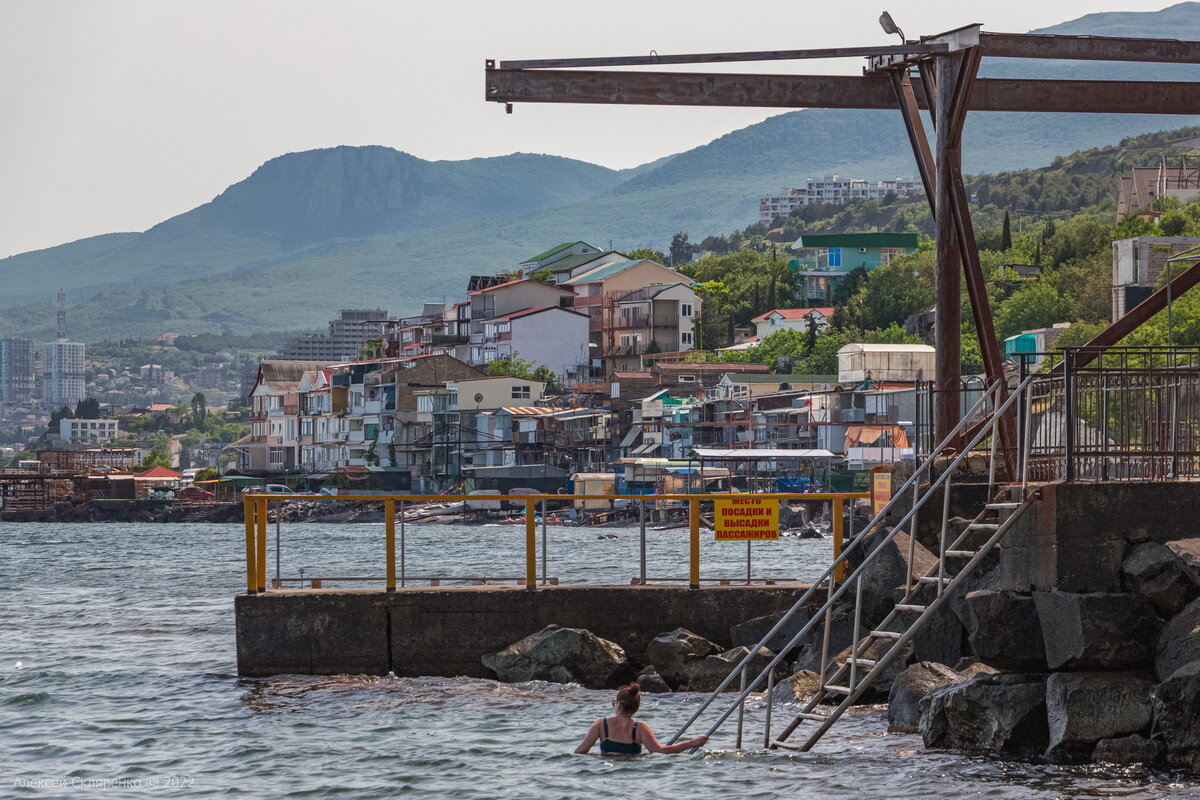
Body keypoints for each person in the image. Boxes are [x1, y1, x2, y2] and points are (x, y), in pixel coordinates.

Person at [575, 683, 709, 755]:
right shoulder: (640, 727)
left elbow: (581, 751)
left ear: (619, 705)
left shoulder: (601, 724)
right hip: (634, 774)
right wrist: (692, 743)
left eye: (614, 703)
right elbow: (661, 751)